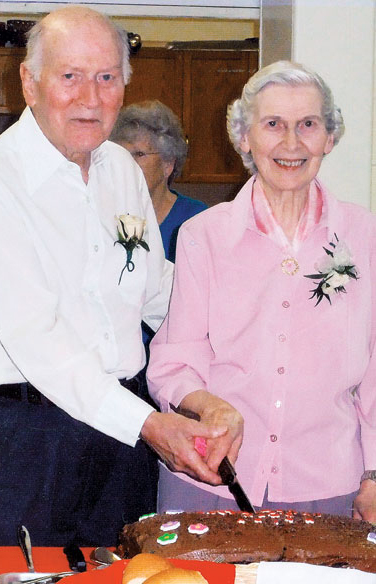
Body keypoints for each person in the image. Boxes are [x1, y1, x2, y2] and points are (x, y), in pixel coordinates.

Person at [0, 6, 228, 547]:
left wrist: (240, 334)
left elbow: (154, 289)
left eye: (107, 78)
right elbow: (36, 339)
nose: (90, 97)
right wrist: (148, 424)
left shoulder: (120, 169)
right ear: (30, 81)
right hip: (27, 438)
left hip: (124, 439)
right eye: (70, 76)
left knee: (126, 574)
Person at [147, 61, 376, 524]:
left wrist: (375, 473)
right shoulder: (202, 235)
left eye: (308, 125)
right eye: (273, 125)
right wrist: (209, 404)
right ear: (244, 138)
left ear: (329, 138)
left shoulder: (366, 235)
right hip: (213, 477)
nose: (291, 143)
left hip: (328, 486)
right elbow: (173, 361)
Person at [110, 100, 207, 263]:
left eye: (139, 154)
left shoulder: (197, 219)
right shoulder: (105, 216)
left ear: (168, 164)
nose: (127, 163)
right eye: (122, 154)